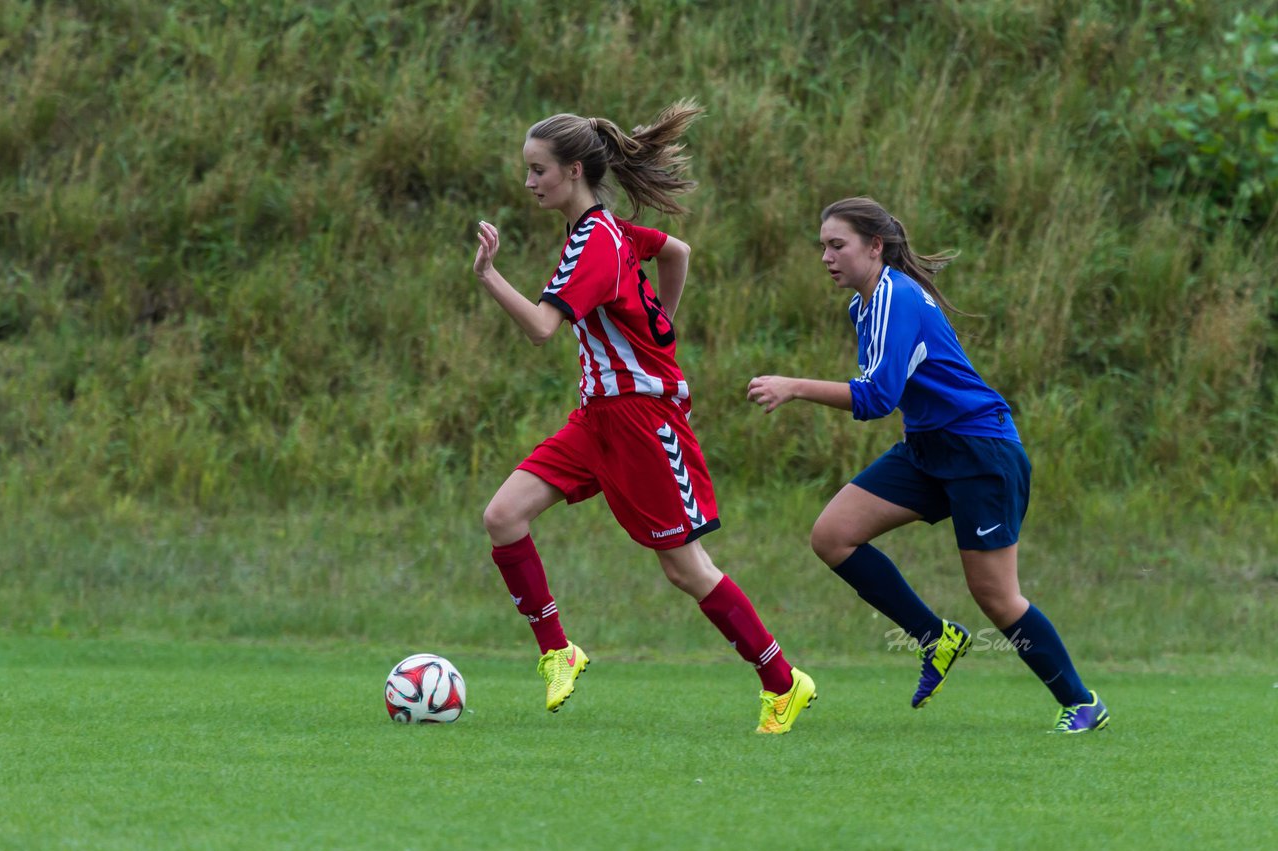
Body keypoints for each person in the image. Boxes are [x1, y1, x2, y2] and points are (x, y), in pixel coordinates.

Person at [471, 101, 815, 734]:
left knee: (685, 567)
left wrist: (490, 277)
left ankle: (782, 681)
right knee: (503, 516)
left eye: (537, 169)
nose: (528, 183)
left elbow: (543, 328)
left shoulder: (595, 244)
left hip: (642, 419)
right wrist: (664, 327)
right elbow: (676, 249)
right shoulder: (607, 233)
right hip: (596, 418)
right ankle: (558, 651)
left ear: (573, 171)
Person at [746, 196, 1109, 733]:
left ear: (875, 247)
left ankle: (1081, 703)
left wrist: (794, 386)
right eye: (822, 245)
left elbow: (875, 397)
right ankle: (935, 637)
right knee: (833, 535)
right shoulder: (863, 305)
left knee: (996, 596)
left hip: (979, 451)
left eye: (837, 245)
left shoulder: (896, 295)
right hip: (927, 449)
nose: (826, 256)